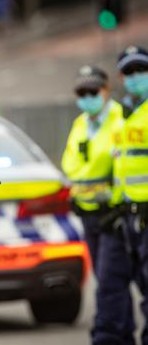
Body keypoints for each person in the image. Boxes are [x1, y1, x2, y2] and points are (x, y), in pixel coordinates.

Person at [61, 65, 133, 344]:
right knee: (109, 282)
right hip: (88, 213)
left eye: (93, 91)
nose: (87, 96)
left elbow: (117, 166)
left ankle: (108, 337)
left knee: (110, 282)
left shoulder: (121, 119)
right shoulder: (81, 123)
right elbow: (72, 165)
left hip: (115, 214)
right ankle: (123, 334)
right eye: (82, 92)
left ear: (106, 90)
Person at [110, 45, 148, 345]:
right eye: (129, 72)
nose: (135, 77)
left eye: (141, 70)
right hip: (130, 214)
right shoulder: (124, 114)